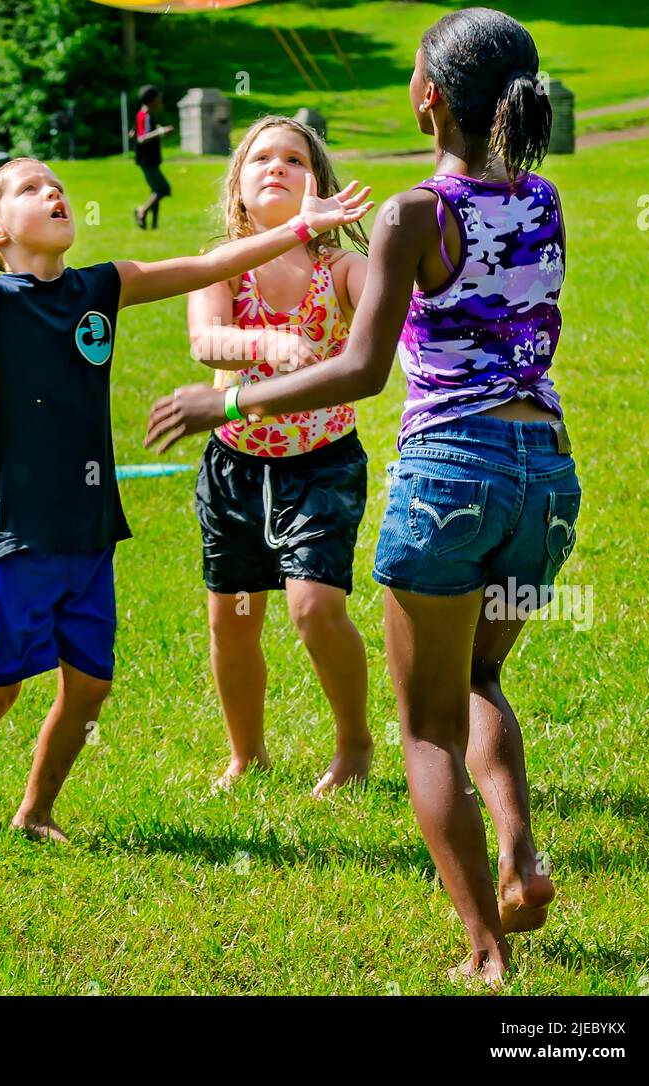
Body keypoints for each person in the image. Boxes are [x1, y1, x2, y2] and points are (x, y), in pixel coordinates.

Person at [145, 8, 582, 987]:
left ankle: (483, 947)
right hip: (547, 480)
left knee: (426, 724)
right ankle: (519, 857)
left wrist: (231, 396)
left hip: (452, 479)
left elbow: (361, 370)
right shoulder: (545, 196)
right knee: (477, 681)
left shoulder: (414, 213)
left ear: (427, 98)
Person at [0, 157, 371, 843]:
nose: (52, 193)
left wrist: (297, 230)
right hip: (14, 532)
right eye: (29, 190)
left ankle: (36, 809)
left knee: (90, 686)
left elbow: (199, 266)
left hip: (89, 528)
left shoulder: (102, 287)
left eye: (56, 185)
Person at [188, 116, 372, 796]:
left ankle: (354, 744)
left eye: (294, 160)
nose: (276, 167)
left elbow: (386, 323)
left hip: (321, 463)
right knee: (231, 619)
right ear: (236, 188)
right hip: (233, 466)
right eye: (260, 158)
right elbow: (207, 343)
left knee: (313, 605)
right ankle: (247, 754)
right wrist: (266, 348)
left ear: (320, 188)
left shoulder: (343, 269)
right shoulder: (222, 265)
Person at [132, 85, 174, 230]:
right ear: (152, 100)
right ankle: (141, 211)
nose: (160, 102)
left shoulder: (141, 115)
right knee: (163, 189)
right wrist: (161, 131)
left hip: (149, 160)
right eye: (159, 99)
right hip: (147, 160)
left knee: (155, 190)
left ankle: (154, 225)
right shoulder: (146, 116)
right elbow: (142, 138)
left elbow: (135, 133)